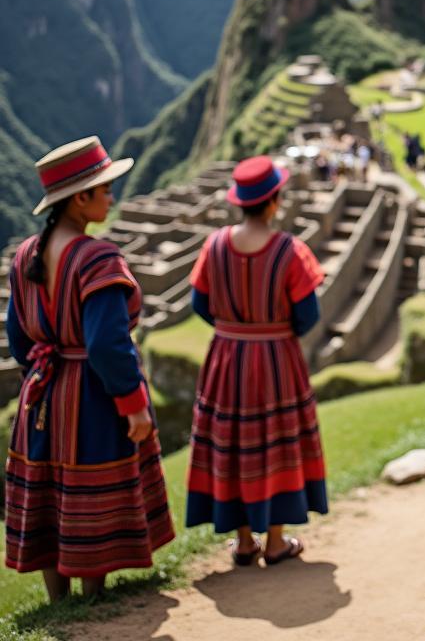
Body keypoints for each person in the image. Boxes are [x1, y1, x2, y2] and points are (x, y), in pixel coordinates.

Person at [4, 137, 174, 600]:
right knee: (89, 485)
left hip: (42, 392)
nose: (112, 197)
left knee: (50, 487)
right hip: (91, 395)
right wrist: (134, 405)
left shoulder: (24, 258)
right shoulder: (98, 259)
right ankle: (93, 593)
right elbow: (107, 344)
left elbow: (19, 339)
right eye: (105, 189)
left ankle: (60, 600)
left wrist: (45, 377)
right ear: (80, 199)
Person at [186, 156, 328, 566]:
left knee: (234, 442)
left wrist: (235, 328)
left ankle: (244, 540)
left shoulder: (214, 246)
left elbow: (201, 303)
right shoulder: (290, 251)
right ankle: (278, 540)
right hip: (276, 358)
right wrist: (273, 333)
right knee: (277, 439)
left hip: (226, 358)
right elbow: (308, 315)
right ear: (274, 202)